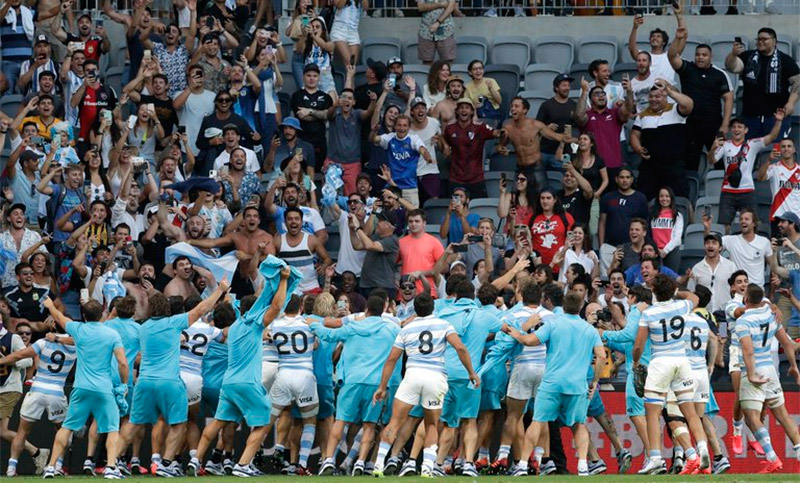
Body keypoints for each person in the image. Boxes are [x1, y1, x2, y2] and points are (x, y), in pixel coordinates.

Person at [115, 281, 229, 477]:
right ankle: (166, 464)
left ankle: (112, 463)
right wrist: (219, 290)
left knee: (133, 423)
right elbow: (202, 308)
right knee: (179, 424)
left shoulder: (142, 327)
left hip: (144, 381)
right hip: (170, 382)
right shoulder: (174, 323)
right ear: (167, 308)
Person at [189, 266, 290, 477]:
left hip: (229, 384)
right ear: (256, 312)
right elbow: (277, 304)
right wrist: (283, 281)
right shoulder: (254, 326)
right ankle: (243, 464)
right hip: (248, 383)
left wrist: (224, 290)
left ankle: (195, 460)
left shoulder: (233, 327)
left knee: (218, 423)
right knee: (263, 425)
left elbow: (230, 306)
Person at [371, 292, 479, 477]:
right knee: (431, 424)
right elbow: (460, 347)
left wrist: (382, 387)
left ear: (415, 309)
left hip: (412, 376)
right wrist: (471, 372)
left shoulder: (406, 329)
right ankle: (428, 466)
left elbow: (391, 359)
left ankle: (378, 465)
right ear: (433, 308)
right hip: (435, 378)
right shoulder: (444, 325)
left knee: (395, 422)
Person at [505, 291, 606, 477]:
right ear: (580, 307)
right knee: (578, 425)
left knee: (537, 422)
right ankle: (583, 465)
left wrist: (516, 334)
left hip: (552, 383)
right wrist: (595, 381)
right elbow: (601, 356)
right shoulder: (589, 330)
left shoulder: (553, 324)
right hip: (577, 385)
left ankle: (522, 464)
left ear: (564, 306)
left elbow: (530, 341)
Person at [39, 298, 129, 480]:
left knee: (67, 427)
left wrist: (49, 305)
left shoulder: (78, 329)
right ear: (102, 314)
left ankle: (50, 467)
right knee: (112, 429)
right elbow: (122, 363)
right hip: (104, 389)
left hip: (81, 387)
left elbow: (59, 317)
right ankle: (111, 467)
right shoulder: (112, 334)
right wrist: (124, 384)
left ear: (84, 317)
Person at [312, 294, 400, 476]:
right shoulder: (391, 329)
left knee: (341, 420)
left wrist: (312, 323)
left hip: (352, 381)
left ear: (366, 310)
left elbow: (328, 335)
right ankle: (360, 463)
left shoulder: (353, 327)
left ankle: (328, 461)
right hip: (377, 385)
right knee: (369, 425)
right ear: (383, 310)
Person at [632, 275, 710, 475]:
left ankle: (656, 458)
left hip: (661, 362)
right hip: (682, 361)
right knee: (690, 412)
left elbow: (639, 345)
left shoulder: (649, 313)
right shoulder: (682, 306)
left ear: (654, 292)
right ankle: (701, 449)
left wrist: (635, 361)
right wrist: (677, 291)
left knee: (652, 412)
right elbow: (694, 297)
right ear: (672, 291)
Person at [734, 283, 800, 473]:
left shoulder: (744, 321)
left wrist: (752, 373)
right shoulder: (770, 314)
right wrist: (794, 367)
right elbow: (786, 343)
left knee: (752, 418)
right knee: (783, 414)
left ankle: (772, 458)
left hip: (753, 370)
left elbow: (747, 350)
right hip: (770, 369)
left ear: (746, 298)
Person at [668, 14, 733, 172]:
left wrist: (725, 125)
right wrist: (677, 39)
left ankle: (719, 191)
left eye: (704, 55)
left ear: (711, 57)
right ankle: (689, 195)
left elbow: (728, 99)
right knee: (690, 162)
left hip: (714, 124)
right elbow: (671, 57)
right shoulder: (687, 69)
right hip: (690, 123)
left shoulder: (719, 74)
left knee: (719, 162)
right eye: (698, 55)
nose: (700, 57)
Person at [710, 113, 784, 232]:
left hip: (747, 190)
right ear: (730, 130)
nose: (736, 129)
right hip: (728, 190)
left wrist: (779, 121)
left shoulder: (752, 144)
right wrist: (713, 148)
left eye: (740, 127)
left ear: (746, 130)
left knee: (755, 224)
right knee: (725, 227)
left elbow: (772, 136)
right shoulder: (725, 145)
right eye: (734, 127)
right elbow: (711, 160)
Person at [725, 27, 799, 140]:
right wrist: (733, 55)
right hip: (750, 116)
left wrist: (791, 103)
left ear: (774, 41)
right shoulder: (748, 57)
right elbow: (732, 67)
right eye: (758, 39)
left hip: (775, 116)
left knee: (774, 151)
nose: (760, 42)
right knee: (748, 151)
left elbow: (797, 82)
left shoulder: (785, 60)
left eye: (765, 39)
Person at [630, 79, 694, 200]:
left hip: (673, 167)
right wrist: (638, 148)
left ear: (665, 97)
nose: (653, 99)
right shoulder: (642, 115)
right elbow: (634, 135)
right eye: (651, 96)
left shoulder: (675, 110)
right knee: (644, 200)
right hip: (650, 167)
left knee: (680, 199)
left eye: (658, 96)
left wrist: (670, 91)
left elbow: (689, 104)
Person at [498, 97, 565, 191]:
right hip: (520, 167)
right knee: (515, 198)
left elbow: (556, 137)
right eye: (512, 106)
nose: (513, 108)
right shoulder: (507, 126)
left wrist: (571, 138)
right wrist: (501, 148)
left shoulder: (536, 125)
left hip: (535, 167)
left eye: (516, 106)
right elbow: (501, 146)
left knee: (541, 195)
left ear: (525, 110)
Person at [441, 98, 504, 199]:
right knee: (456, 208)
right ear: (457, 111)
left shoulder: (480, 128)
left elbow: (498, 133)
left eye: (467, 108)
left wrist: (502, 142)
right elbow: (442, 138)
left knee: (478, 209)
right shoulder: (450, 128)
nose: (464, 110)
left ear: (472, 111)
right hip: (456, 179)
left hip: (476, 178)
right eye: (461, 108)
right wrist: (445, 145)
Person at [576, 78, 634, 181]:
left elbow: (627, 111)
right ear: (590, 100)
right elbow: (579, 117)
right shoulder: (587, 116)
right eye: (597, 94)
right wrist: (584, 92)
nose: (601, 95)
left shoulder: (615, 113)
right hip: (592, 166)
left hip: (613, 164)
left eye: (603, 93)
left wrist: (629, 92)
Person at [371, 114, 433, 208]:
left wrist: (427, 157)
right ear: (395, 126)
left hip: (410, 187)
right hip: (393, 186)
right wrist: (374, 131)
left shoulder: (413, 139)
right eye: (399, 125)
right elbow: (373, 139)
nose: (402, 128)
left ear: (409, 127)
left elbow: (422, 149)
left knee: (413, 216)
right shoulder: (389, 138)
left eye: (405, 125)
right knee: (390, 216)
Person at [325, 86, 376, 194]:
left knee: (352, 196)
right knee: (330, 197)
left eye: (349, 98)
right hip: (333, 162)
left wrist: (373, 101)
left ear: (353, 102)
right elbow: (329, 114)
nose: (346, 100)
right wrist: (335, 105)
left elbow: (368, 113)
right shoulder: (335, 113)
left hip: (352, 164)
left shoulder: (357, 114)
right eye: (344, 97)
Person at [598, 168, 649, 275]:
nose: (624, 180)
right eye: (621, 177)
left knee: (628, 278)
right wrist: (602, 245)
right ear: (616, 179)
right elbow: (602, 222)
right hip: (609, 245)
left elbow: (645, 224)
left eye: (627, 177)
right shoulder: (608, 197)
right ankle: (604, 292)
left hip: (632, 247)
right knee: (606, 278)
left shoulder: (640, 198)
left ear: (631, 180)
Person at [704, 207, 771, 287]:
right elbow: (711, 243)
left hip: (757, 291)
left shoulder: (764, 242)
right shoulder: (731, 240)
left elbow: (773, 266)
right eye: (741, 219)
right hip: (738, 291)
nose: (743, 221)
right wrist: (707, 228)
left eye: (746, 219)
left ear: (754, 223)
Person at [275, 207, 332, 295]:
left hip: (311, 286)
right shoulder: (278, 241)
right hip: (288, 289)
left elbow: (327, 259)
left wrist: (324, 266)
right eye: (290, 219)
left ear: (302, 222)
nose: (293, 221)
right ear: (285, 223)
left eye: (297, 219)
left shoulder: (311, 240)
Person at [291, 63, 334, 171]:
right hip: (301, 141)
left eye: (314, 76)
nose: (312, 78)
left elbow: (327, 115)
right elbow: (302, 116)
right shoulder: (297, 95)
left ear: (319, 78)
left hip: (319, 142)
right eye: (309, 75)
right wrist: (320, 114)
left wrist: (309, 111)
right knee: (300, 171)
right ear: (303, 77)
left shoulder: (326, 97)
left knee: (318, 172)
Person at [350, 211, 400, 297]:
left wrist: (358, 228)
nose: (377, 222)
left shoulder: (392, 240)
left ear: (387, 224)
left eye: (380, 220)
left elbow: (370, 246)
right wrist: (352, 230)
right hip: (366, 285)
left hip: (382, 286)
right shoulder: (376, 237)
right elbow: (357, 246)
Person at [687, 232, 737, 313]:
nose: (710, 245)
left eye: (714, 243)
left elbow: (737, 292)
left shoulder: (731, 266)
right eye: (707, 243)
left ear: (720, 247)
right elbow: (690, 293)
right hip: (704, 315)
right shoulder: (696, 268)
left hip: (725, 314)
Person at [537, 73, 578, 171]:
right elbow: (537, 127)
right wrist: (546, 127)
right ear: (556, 88)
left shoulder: (574, 105)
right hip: (545, 151)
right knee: (539, 179)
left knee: (567, 176)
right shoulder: (546, 105)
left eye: (568, 85)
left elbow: (578, 127)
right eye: (564, 85)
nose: (567, 88)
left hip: (565, 152)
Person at [408, 96, 443, 203]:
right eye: (417, 108)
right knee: (412, 206)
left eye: (422, 107)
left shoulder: (434, 123)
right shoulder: (406, 129)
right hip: (411, 173)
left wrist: (438, 142)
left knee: (434, 202)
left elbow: (441, 144)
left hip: (430, 171)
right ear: (412, 111)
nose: (420, 110)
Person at [758, 138, 799, 225]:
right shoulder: (774, 168)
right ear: (780, 149)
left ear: (794, 149)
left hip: (797, 218)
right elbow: (760, 177)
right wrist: (769, 160)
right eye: (783, 146)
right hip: (778, 217)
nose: (786, 149)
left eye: (789, 146)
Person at [628, 15, 676, 84]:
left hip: (665, 92)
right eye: (653, 36)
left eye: (658, 36)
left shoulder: (670, 56)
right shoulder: (643, 56)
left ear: (664, 42)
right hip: (647, 92)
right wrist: (635, 28)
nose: (654, 38)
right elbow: (632, 49)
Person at [649, 187, 684, 272]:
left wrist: (665, 251)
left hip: (671, 252)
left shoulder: (677, 215)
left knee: (671, 280)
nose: (664, 199)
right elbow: (650, 234)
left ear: (671, 198)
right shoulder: (653, 214)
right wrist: (656, 250)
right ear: (658, 198)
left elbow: (677, 238)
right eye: (661, 196)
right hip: (655, 252)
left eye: (667, 196)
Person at [416, 0, 456, 65]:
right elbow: (421, 7)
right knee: (427, 60)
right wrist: (440, 4)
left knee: (448, 60)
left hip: (446, 30)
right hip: (426, 30)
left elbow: (451, 6)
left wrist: (438, 22)